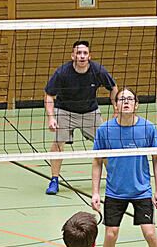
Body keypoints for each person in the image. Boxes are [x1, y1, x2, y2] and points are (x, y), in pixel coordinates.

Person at [90, 88, 157, 247]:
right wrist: (95, 192)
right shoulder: (105, 130)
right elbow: (97, 161)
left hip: (141, 190)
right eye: (121, 99)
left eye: (130, 99)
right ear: (115, 105)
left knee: (150, 234)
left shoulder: (147, 128)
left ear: (136, 105)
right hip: (115, 191)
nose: (125, 102)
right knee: (109, 234)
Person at [45, 41, 119, 195]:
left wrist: (116, 109)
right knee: (58, 144)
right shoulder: (63, 72)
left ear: (89, 56)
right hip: (65, 110)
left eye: (85, 53)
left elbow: (113, 88)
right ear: (73, 56)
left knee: (104, 142)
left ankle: (114, 178)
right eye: (79, 53)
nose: (82, 56)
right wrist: (51, 117)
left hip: (90, 111)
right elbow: (49, 95)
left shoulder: (98, 71)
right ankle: (54, 180)